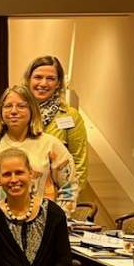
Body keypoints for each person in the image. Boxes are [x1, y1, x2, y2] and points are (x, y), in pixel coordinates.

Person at [0, 85, 79, 215]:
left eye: (21, 106)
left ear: (32, 110)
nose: (14, 111)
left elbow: (70, 188)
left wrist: (56, 220)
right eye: (8, 106)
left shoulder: (51, 145)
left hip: (41, 222)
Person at [24, 55, 88, 191]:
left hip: (56, 194)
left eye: (50, 79)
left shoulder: (70, 116)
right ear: (28, 79)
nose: (43, 83)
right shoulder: (16, 112)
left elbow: (79, 163)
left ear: (58, 83)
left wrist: (69, 196)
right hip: (18, 191)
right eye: (38, 77)